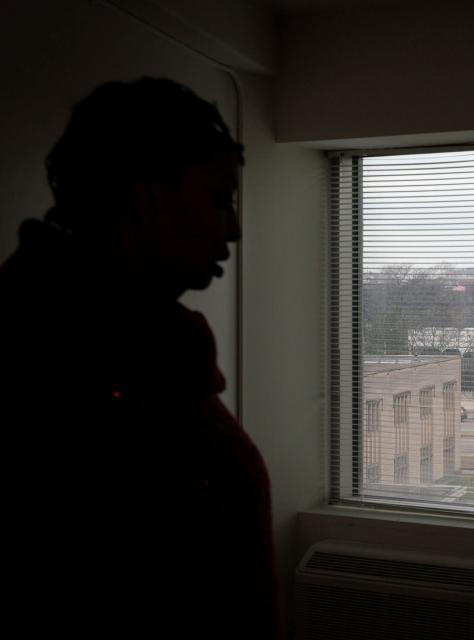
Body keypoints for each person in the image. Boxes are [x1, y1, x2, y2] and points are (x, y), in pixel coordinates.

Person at [0, 77, 279, 639]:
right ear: (144, 194)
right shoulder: (50, 367)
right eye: (219, 198)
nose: (235, 230)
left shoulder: (147, 349)